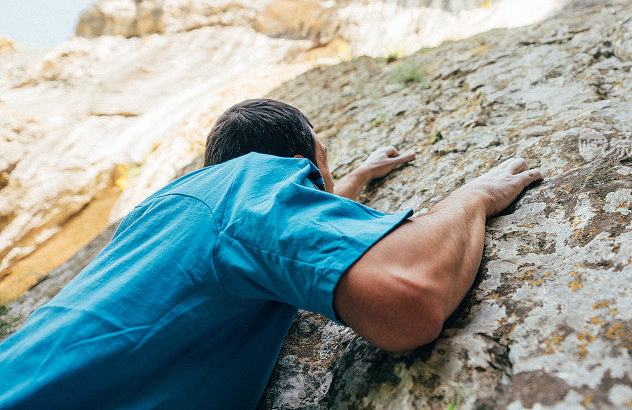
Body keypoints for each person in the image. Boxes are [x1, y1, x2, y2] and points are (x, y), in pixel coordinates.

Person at [0, 99, 543, 409]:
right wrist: (473, 196)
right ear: (293, 162)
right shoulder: (248, 184)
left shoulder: (163, 215)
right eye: (318, 166)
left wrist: (351, 178)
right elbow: (410, 296)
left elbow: (260, 237)